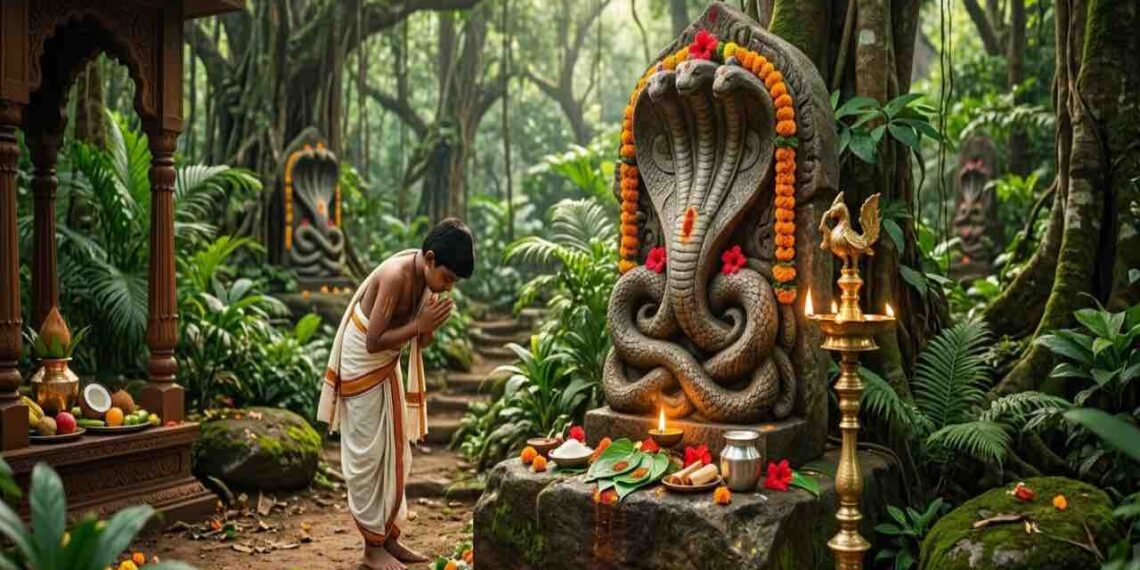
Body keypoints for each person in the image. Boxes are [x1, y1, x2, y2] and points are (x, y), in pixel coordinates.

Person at [317, 218, 474, 570]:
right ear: (430, 258)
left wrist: (428, 327)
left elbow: (418, 338)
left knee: (396, 452)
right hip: (363, 365)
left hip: (388, 366)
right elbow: (373, 341)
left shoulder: (427, 280)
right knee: (369, 458)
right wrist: (419, 325)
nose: (447, 288)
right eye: (447, 278)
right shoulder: (395, 276)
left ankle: (389, 539)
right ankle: (371, 549)